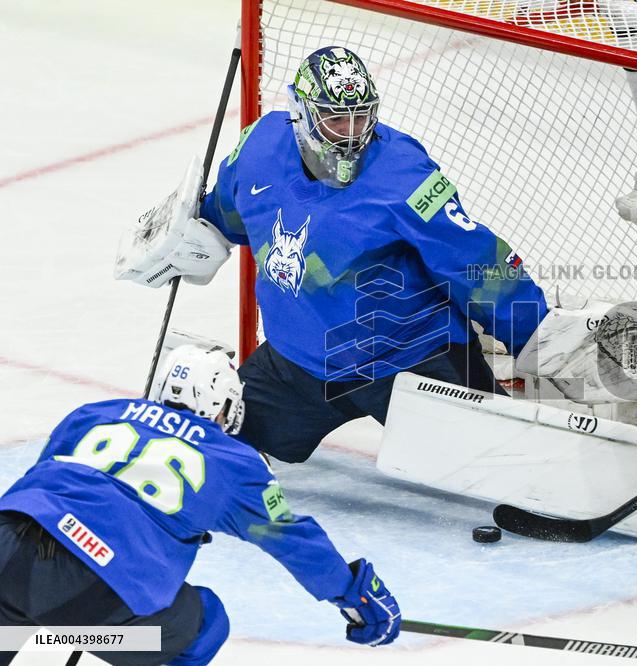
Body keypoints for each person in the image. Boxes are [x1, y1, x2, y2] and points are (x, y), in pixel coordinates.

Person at [117, 46, 547, 464]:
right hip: (298, 364)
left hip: (409, 358)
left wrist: (537, 342)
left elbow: (474, 260)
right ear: (301, 114)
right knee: (206, 446)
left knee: (503, 463)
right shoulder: (259, 148)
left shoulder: (403, 174)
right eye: (336, 119)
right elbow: (227, 215)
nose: (352, 133)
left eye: (362, 118)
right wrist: (190, 232)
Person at [0, 345, 400, 665]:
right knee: (205, 622)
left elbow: (40, 486)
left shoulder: (94, 414)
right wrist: (353, 593)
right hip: (95, 591)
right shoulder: (233, 464)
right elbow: (290, 538)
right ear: (224, 404)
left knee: (16, 617)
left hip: (6, 549)